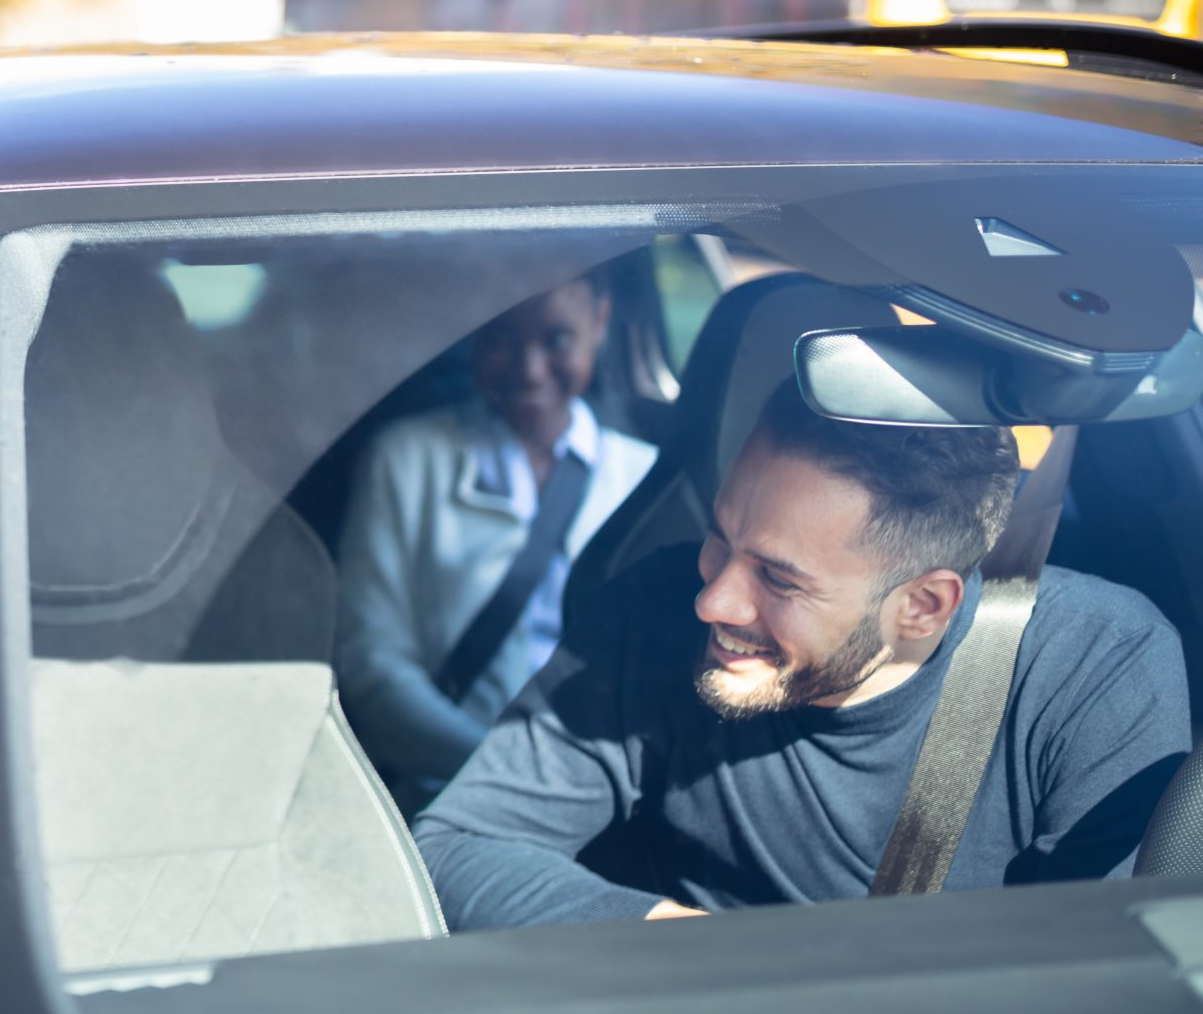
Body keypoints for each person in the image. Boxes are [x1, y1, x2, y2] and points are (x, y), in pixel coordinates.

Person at [413, 386, 1191, 929]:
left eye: (778, 578)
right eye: (721, 537)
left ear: (923, 606)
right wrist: (712, 956)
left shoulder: (1097, 667)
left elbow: (1096, 977)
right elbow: (454, 847)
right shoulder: (651, 610)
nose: (713, 600)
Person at [333, 275, 656, 799]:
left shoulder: (645, 478)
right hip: (446, 789)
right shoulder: (406, 459)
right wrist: (499, 772)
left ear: (600, 321)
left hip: (606, 797)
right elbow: (374, 666)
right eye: (502, 338)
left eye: (555, 340)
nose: (529, 369)